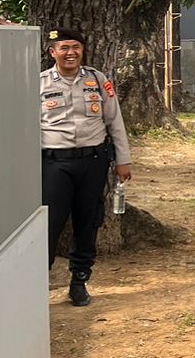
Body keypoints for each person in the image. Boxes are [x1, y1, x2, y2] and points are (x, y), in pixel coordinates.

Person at [40, 27, 133, 306]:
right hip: (54, 163)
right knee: (49, 224)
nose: (71, 53)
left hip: (93, 161)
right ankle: (37, 281)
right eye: (64, 48)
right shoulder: (39, 83)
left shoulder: (97, 80)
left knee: (88, 220)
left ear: (83, 50)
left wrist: (123, 159)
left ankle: (79, 280)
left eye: (76, 48)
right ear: (52, 52)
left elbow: (114, 120)